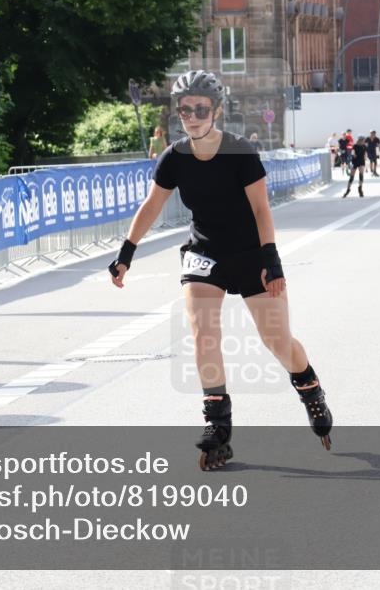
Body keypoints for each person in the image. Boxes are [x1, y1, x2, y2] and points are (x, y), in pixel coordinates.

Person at [108, 70, 334, 470]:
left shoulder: (240, 151)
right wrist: (127, 252)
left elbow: (262, 209)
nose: (191, 116)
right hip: (204, 253)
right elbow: (152, 205)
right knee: (202, 333)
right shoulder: (174, 157)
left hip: (250, 254)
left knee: (277, 342)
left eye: (200, 108)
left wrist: (271, 260)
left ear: (215, 110)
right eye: (184, 109)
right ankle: (218, 426)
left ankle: (310, 387)